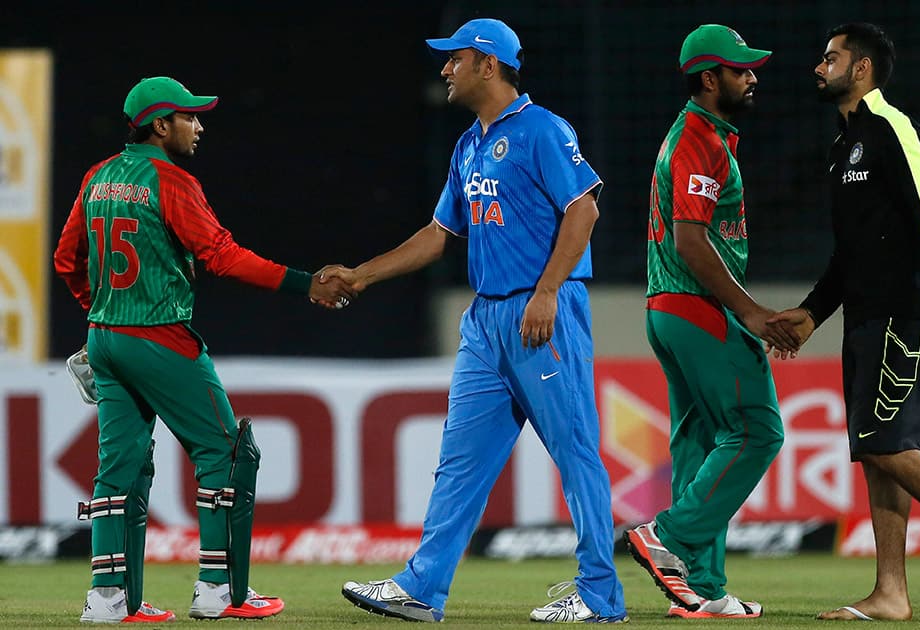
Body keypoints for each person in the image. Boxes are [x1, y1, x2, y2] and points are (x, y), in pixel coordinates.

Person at [326, 17, 627, 624]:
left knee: (576, 455)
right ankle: (422, 587)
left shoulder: (543, 129)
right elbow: (441, 236)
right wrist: (362, 275)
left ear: (488, 65)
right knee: (459, 464)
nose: (444, 69)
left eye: (454, 59)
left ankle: (600, 594)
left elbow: (584, 211)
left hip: (542, 313)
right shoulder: (467, 144)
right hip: (486, 322)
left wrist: (546, 293)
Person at [53, 76, 354, 623]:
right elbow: (221, 255)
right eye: (189, 117)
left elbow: (66, 258)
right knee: (226, 452)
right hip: (161, 336)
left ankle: (107, 598)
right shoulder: (172, 181)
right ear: (161, 125)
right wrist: (304, 283)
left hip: (106, 339)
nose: (199, 125)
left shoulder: (98, 177)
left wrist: (101, 315)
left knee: (117, 467)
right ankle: (220, 591)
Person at [767, 22, 920, 620]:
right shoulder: (843, 147)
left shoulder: (892, 128)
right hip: (864, 317)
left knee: (881, 439)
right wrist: (813, 313)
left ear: (860, 68)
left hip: (905, 312)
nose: (819, 67)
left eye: (830, 58)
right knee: (875, 451)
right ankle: (891, 593)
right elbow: (851, 251)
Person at [620, 24, 798, 620]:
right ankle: (667, 537)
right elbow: (691, 240)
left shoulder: (705, 135)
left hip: (669, 309)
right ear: (708, 78)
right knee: (757, 430)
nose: (752, 78)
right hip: (699, 307)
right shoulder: (699, 139)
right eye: (741, 69)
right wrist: (749, 311)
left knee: (700, 443)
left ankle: (703, 588)